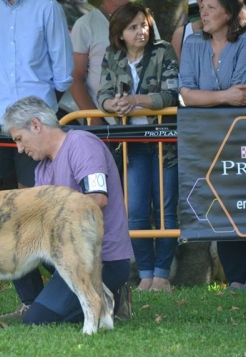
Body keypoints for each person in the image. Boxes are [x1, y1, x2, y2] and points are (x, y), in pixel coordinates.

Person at [0, 96, 133, 324]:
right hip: (65, 254)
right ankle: (30, 302)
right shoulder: (41, 168)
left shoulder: (82, 143)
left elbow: (97, 199)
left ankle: (113, 296)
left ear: (35, 125)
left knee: (38, 321)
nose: (20, 149)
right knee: (14, 229)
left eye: (20, 139)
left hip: (103, 259)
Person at [0, 0, 74, 292]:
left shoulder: (47, 6)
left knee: (33, 202)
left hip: (35, 116)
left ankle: (69, 283)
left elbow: (64, 69)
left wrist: (40, 104)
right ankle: (27, 297)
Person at [179, 0, 246, 290]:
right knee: (223, 204)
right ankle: (235, 277)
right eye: (201, 7)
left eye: (210, 6)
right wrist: (222, 97)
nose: (203, 12)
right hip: (212, 138)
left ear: (230, 12)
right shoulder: (194, 43)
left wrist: (203, 95)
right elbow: (186, 93)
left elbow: (243, 93)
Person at [96, 3, 180, 291]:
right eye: (133, 27)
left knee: (167, 210)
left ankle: (162, 274)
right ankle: (145, 273)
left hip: (164, 142)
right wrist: (113, 104)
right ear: (120, 34)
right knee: (136, 212)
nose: (141, 31)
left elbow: (172, 94)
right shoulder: (112, 55)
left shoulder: (163, 50)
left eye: (143, 25)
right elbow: (102, 95)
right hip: (131, 144)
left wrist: (136, 101)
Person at [70, 0, 161, 125]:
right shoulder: (85, 25)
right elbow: (75, 78)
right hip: (104, 120)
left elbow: (159, 65)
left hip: (148, 119)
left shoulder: (145, 20)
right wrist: (95, 121)